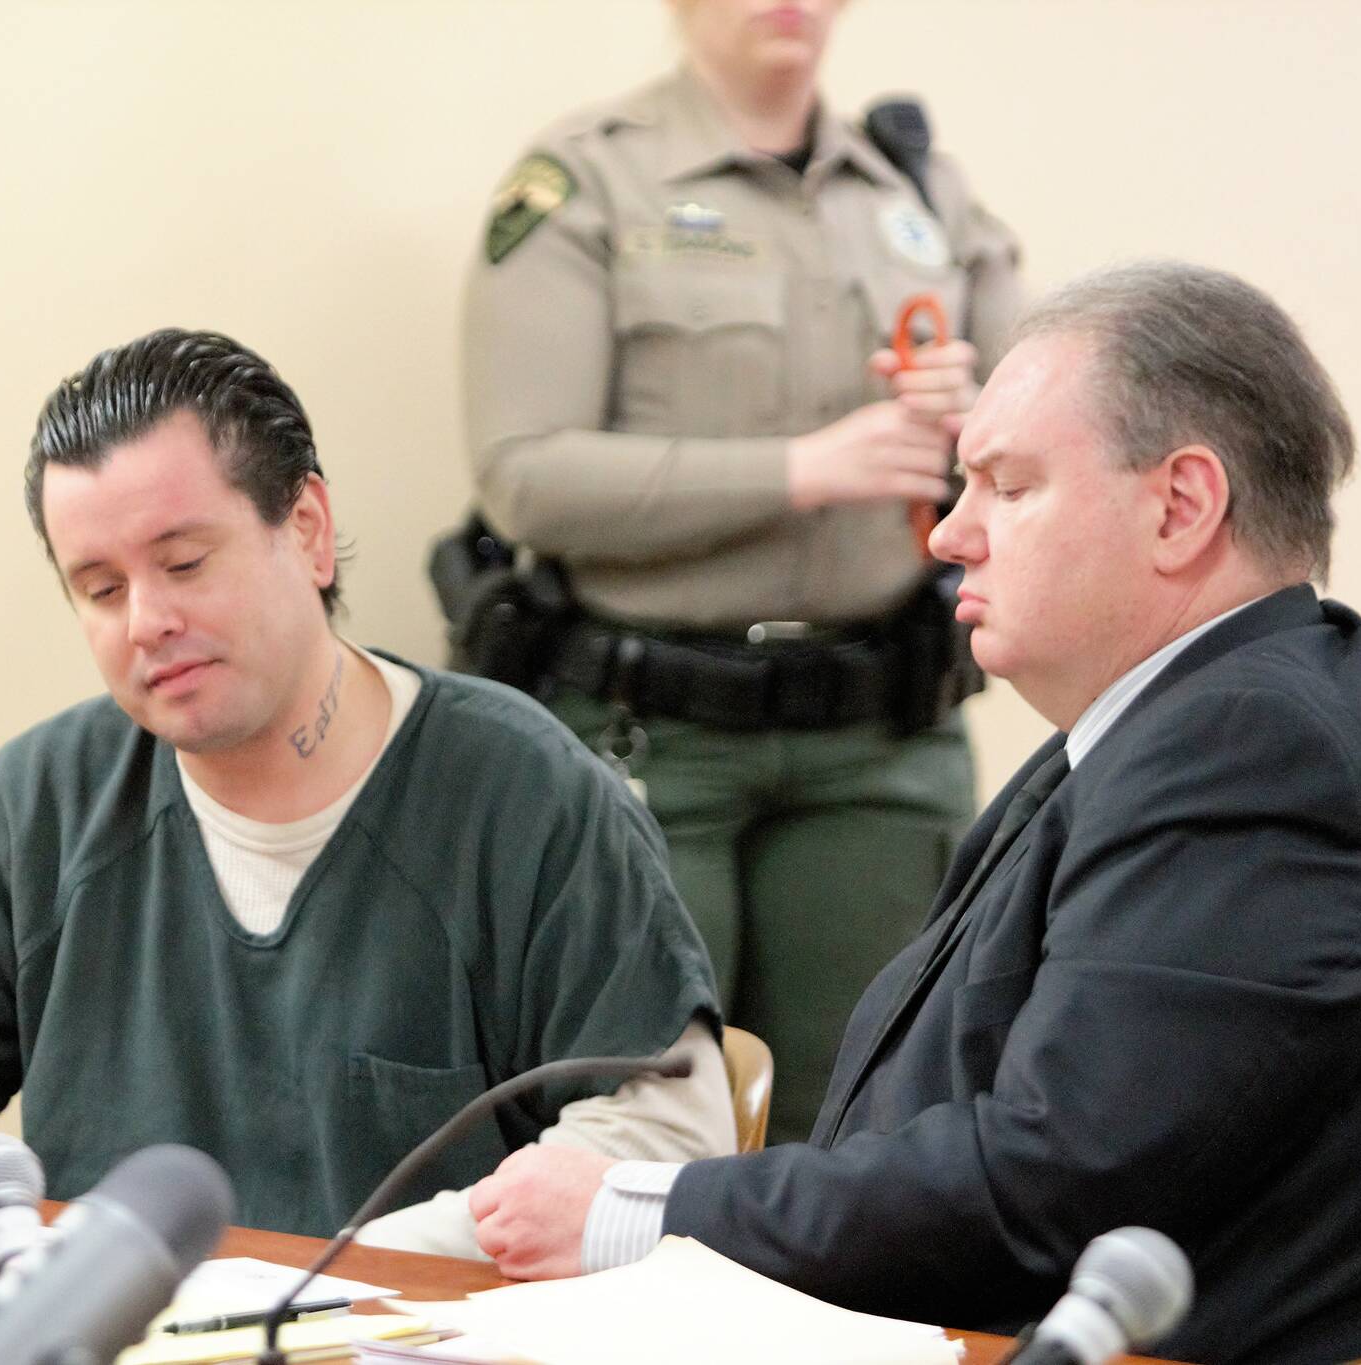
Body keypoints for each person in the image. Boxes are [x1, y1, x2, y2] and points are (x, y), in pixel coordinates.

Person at [464, 262, 1361, 1363]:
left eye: (1006, 486)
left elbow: (1054, 1183)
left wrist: (633, 1211)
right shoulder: (1184, 719)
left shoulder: (1252, 748)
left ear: (1180, 506)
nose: (949, 536)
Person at [0, 328, 734, 1255]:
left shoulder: (525, 797)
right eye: (100, 588)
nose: (149, 621)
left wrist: (341, 1278)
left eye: (185, 563)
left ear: (309, 530)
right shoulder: (46, 799)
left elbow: (668, 1135)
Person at [460, 0, 1023, 1146]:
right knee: (634, 1129)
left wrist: (982, 421)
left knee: (870, 1129)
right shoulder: (585, 182)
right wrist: (804, 469)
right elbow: (525, 478)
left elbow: (1058, 446)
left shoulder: (921, 193)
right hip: (652, 741)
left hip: (875, 739)